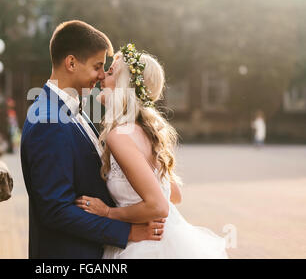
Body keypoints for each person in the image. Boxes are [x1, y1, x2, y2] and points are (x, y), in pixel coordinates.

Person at [20, 21, 166, 259]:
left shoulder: (74, 111)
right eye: (98, 66)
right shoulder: (47, 120)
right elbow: (56, 210)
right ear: (71, 63)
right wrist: (128, 231)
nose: (101, 76)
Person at [75, 44, 228, 258]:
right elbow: (174, 194)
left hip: (145, 247)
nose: (102, 77)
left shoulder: (120, 135)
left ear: (123, 85)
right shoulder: (148, 132)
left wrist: (109, 212)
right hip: (170, 242)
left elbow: (159, 206)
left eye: (110, 72)